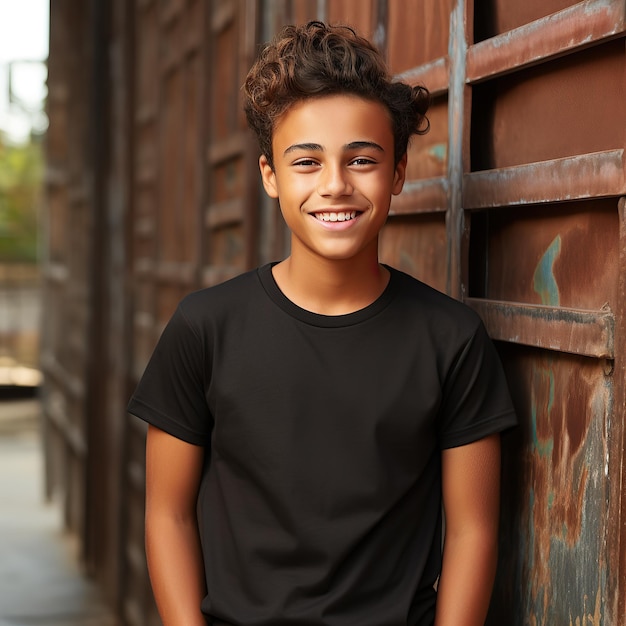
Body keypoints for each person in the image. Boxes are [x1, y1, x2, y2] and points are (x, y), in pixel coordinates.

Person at [128, 20, 517, 626]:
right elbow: (166, 514)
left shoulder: (451, 340)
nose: (335, 185)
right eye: (306, 162)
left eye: (362, 159)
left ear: (398, 172)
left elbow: (473, 532)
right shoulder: (205, 328)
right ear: (270, 176)